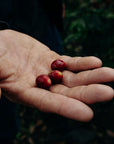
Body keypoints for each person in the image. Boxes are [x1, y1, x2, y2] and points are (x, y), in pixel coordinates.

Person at [0, 0, 114, 144]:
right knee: (5, 117)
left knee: (57, 71)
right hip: (7, 34)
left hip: (40, 20)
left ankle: (63, 129)